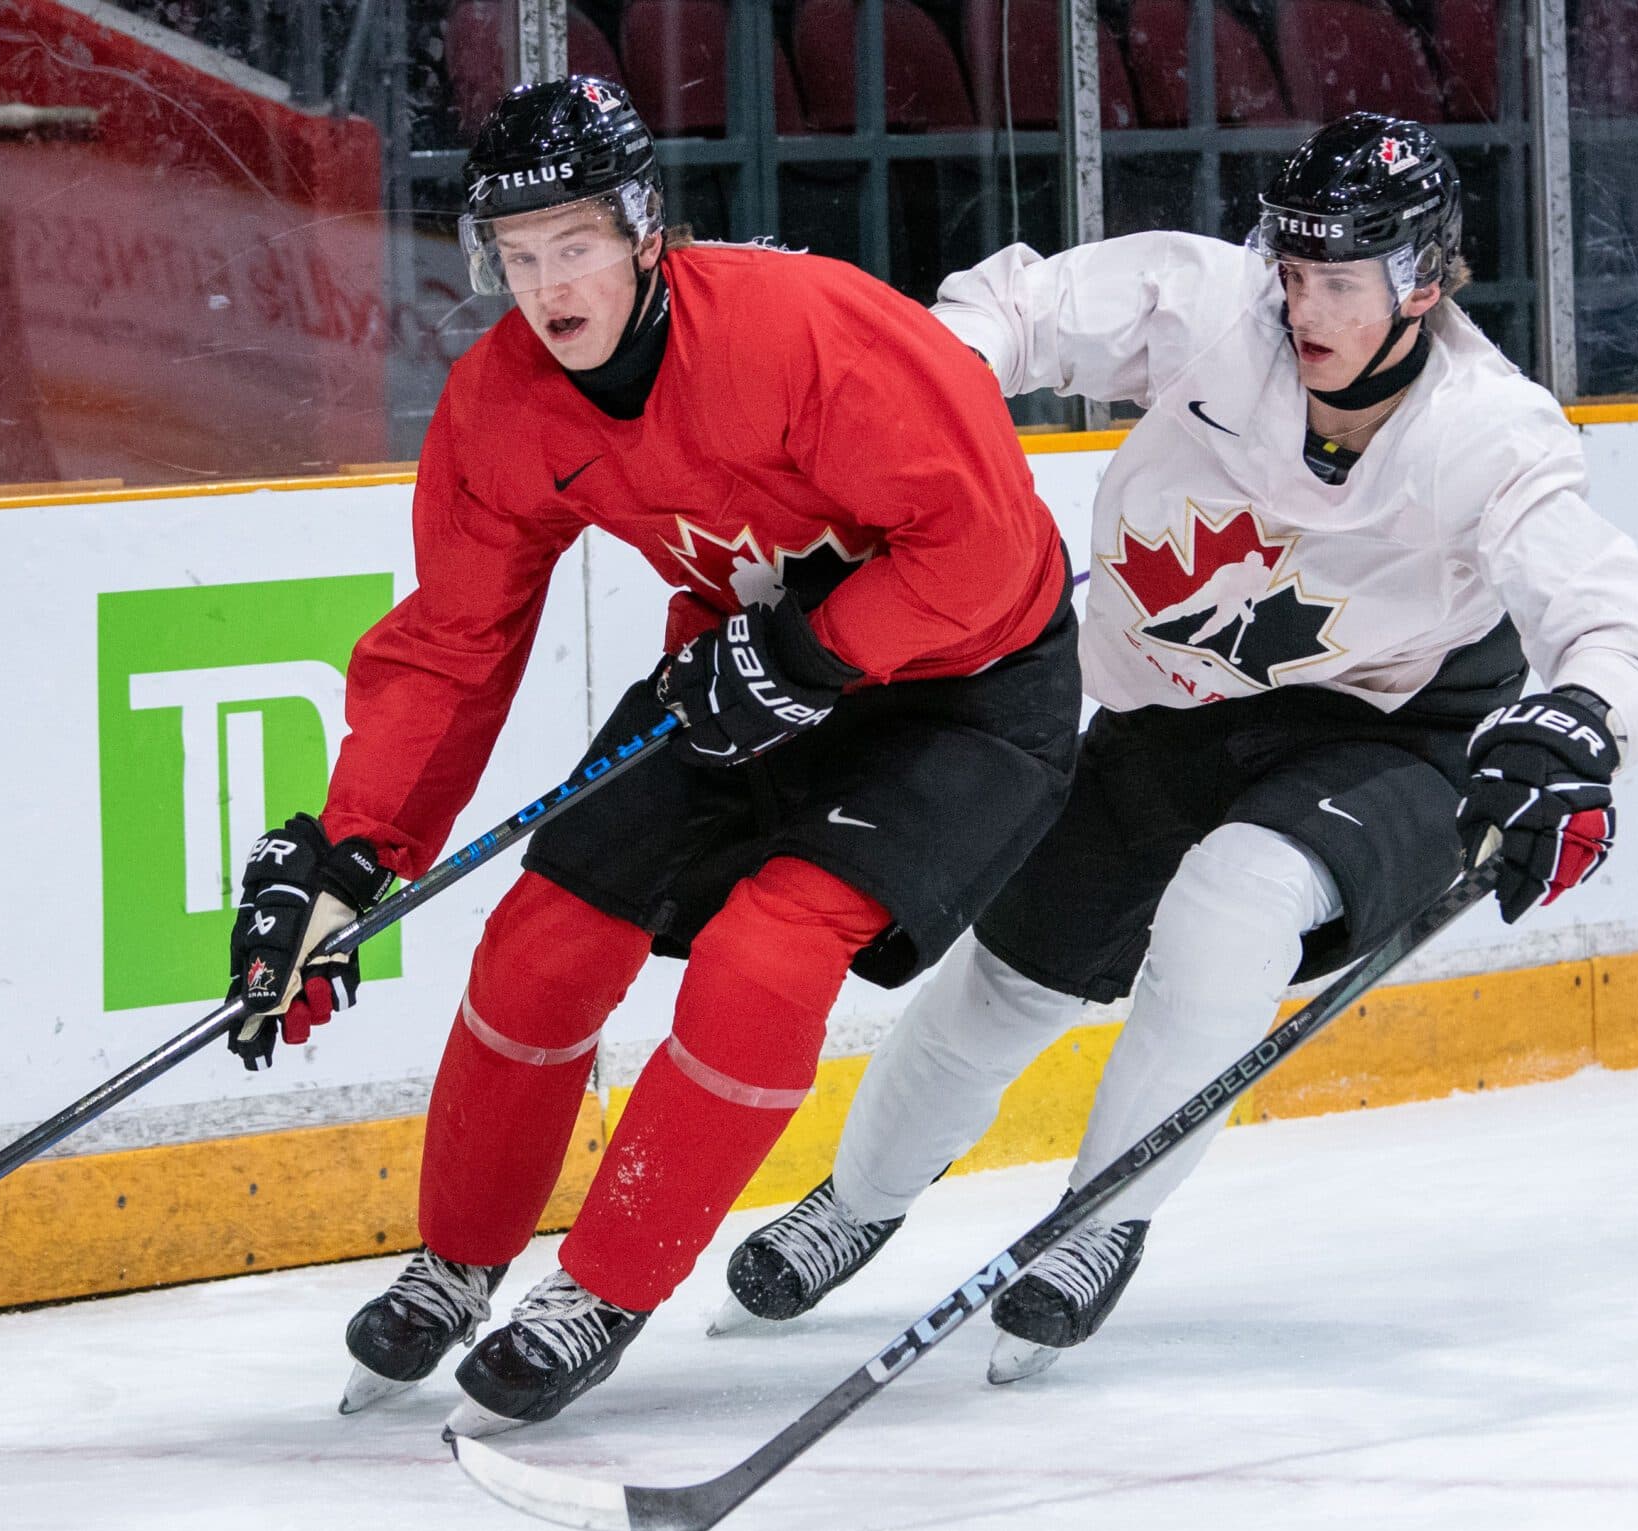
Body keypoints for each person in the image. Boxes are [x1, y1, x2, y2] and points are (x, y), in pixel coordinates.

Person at [721, 113, 1638, 1383]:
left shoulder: (1485, 430)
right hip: (1168, 713)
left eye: (1341, 282)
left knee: (1235, 899)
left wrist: (1581, 719)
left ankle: (1100, 1214)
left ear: (1425, 281)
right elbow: (1017, 312)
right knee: (1008, 981)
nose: (1304, 307)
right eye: (1293, 273)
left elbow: (1613, 619)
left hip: (1397, 728)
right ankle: (858, 1198)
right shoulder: (1205, 305)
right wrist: (904, 412)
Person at [221, 76, 1080, 1434]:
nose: (548, 287)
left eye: (573, 246)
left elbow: (984, 549)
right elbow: (452, 645)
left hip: (964, 690)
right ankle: (456, 1262)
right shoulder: (503, 404)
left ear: (641, 233)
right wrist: (352, 853)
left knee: (764, 957)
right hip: (744, 671)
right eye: (517, 257)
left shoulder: (809, 333)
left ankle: (603, 1286)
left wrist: (814, 652)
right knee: (542, 933)